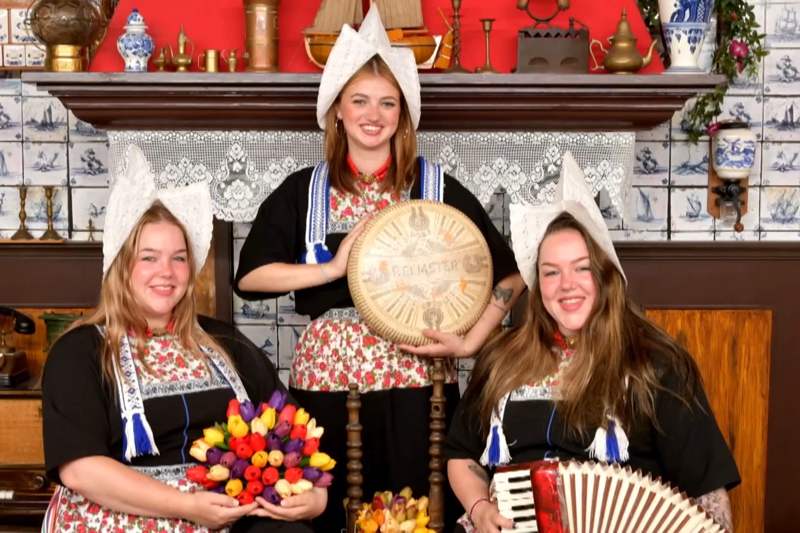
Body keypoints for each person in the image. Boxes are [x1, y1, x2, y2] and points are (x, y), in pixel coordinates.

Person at [235, 5, 524, 530]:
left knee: (419, 508)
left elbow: (512, 272)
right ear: (337, 111)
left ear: (403, 115)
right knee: (330, 511)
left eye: (388, 102)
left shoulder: (436, 187)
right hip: (327, 377)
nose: (374, 114)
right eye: (360, 100)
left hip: (417, 377)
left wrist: (469, 342)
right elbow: (250, 278)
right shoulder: (304, 190)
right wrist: (331, 270)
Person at [445, 154, 740, 533]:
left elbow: (707, 492)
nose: (567, 285)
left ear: (606, 276)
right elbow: (462, 453)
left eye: (582, 268)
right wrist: (480, 507)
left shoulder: (657, 365)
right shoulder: (503, 357)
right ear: (537, 285)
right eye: (551, 272)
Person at [41, 145, 326, 533]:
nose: (167, 271)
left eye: (178, 257)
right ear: (121, 267)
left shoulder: (225, 342)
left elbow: (294, 430)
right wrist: (186, 506)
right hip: (124, 516)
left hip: (226, 514)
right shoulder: (80, 352)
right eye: (149, 257)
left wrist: (316, 495)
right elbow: (81, 470)